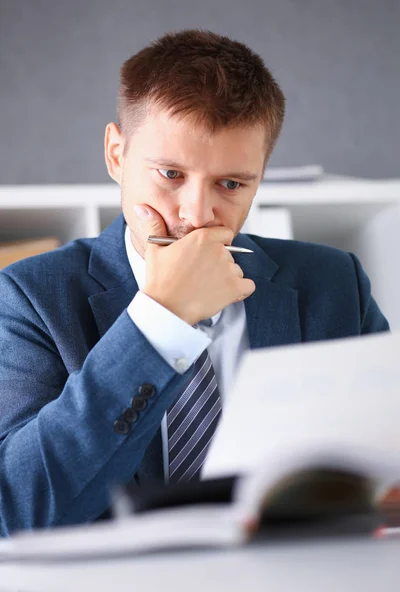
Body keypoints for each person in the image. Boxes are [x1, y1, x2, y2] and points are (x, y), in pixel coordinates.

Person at [0, 29, 389, 538]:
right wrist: (161, 319)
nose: (196, 214)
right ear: (117, 154)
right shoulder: (30, 296)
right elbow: (19, 513)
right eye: (169, 173)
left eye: (231, 184)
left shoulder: (336, 284)